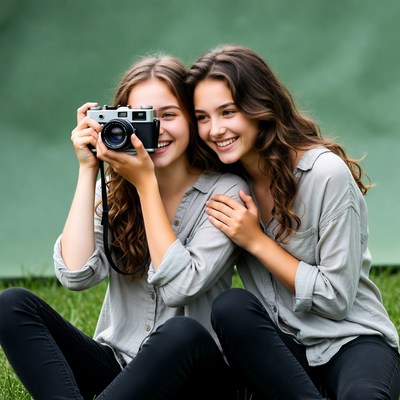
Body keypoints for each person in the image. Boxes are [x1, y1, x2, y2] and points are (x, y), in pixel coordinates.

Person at [0, 54, 249, 399]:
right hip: (121, 370)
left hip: (196, 377)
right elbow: (76, 275)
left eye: (168, 115)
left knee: (181, 331)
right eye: (141, 118)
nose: (157, 129)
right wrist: (88, 169)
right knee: (12, 304)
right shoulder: (117, 193)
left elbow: (181, 286)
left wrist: (147, 185)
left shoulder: (224, 193)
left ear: (192, 120)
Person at [186, 44, 400, 400]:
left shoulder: (324, 174)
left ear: (260, 108)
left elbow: (336, 299)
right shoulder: (221, 185)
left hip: (350, 338)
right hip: (278, 349)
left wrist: (255, 240)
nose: (215, 130)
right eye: (203, 117)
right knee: (232, 308)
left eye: (228, 112)